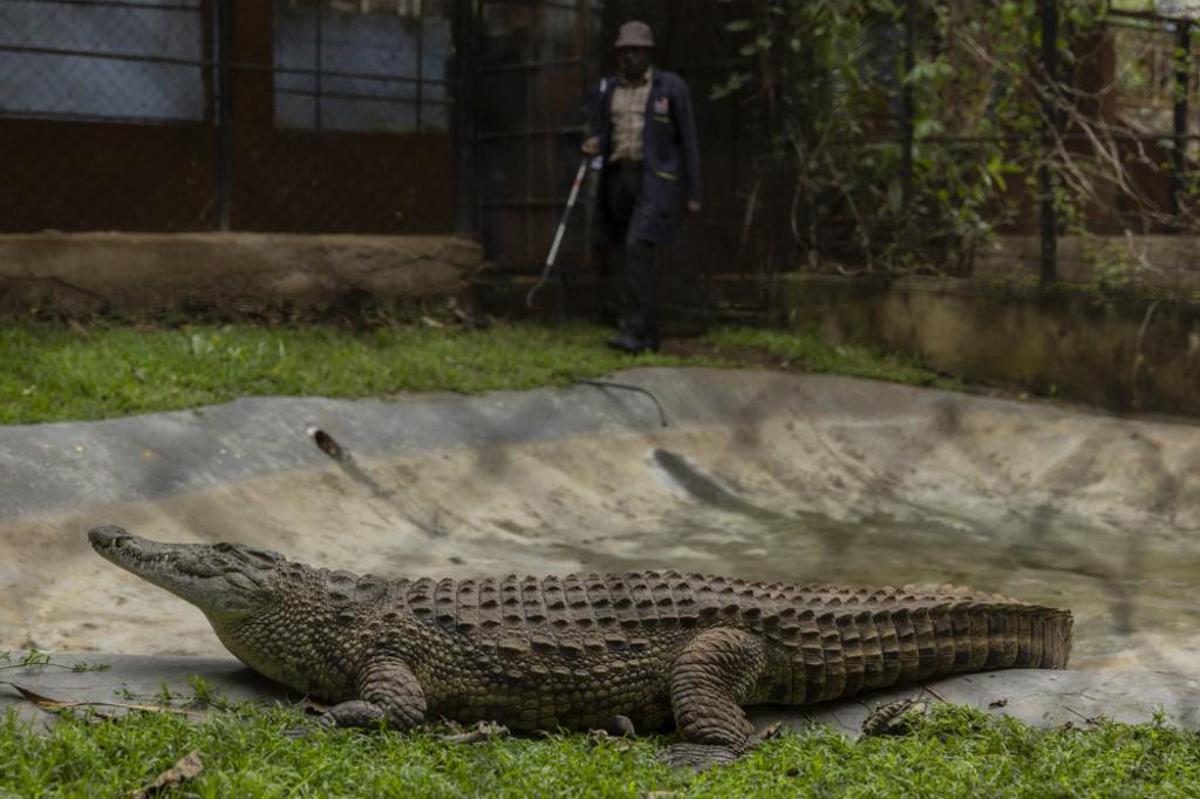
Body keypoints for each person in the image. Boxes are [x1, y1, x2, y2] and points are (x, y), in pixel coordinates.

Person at [582, 20, 702, 354]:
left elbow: (688, 140)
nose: (630, 57)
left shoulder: (670, 87)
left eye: (636, 51)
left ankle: (632, 332)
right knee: (627, 254)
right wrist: (594, 142)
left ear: (648, 53)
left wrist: (694, 193)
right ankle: (648, 333)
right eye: (624, 51)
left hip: (655, 183)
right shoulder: (609, 89)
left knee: (637, 247)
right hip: (618, 178)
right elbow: (604, 131)